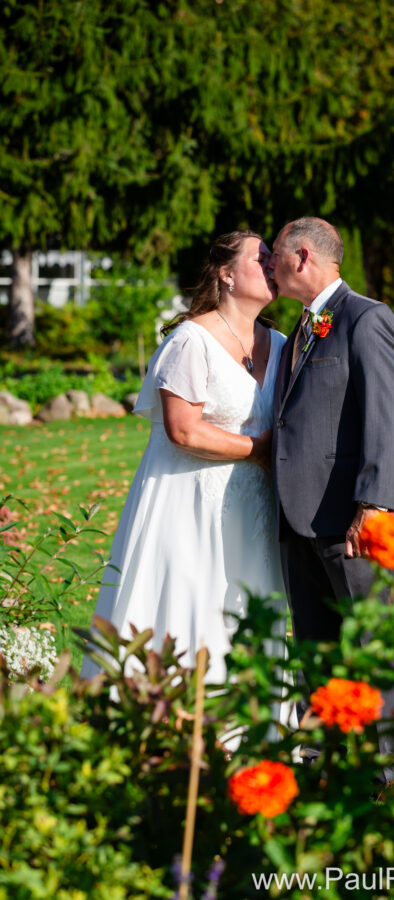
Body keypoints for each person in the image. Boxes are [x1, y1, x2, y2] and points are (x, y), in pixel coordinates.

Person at [81, 231, 288, 685]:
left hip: (253, 511)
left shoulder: (283, 343)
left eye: (275, 259)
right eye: (262, 258)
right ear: (227, 273)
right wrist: (263, 449)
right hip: (190, 503)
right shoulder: (191, 341)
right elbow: (182, 429)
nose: (273, 265)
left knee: (246, 608)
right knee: (190, 603)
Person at [268, 217, 394, 780]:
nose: (269, 266)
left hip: (352, 521)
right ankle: (321, 764)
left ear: (302, 256)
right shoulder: (300, 329)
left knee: (369, 647)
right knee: (314, 648)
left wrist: (373, 505)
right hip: (295, 516)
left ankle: (388, 773)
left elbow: (390, 416)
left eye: (275, 255)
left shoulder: (366, 318)